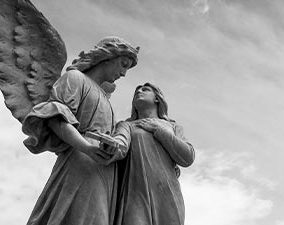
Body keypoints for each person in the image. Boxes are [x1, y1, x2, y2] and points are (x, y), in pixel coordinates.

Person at [21, 36, 139, 225]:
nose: (124, 73)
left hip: (104, 170)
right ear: (107, 57)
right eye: (123, 64)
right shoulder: (75, 78)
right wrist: (86, 147)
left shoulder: (105, 99)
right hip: (81, 161)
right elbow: (55, 117)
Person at [112, 83, 195, 225]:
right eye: (136, 90)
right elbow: (120, 144)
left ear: (157, 98)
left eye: (145, 89)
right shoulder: (127, 125)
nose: (139, 91)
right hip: (135, 193)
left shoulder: (172, 126)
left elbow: (188, 157)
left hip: (167, 192)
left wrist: (159, 130)